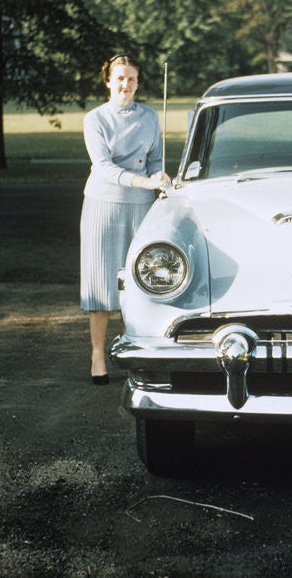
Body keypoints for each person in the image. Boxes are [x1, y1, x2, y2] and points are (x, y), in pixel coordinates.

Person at [80, 54, 170, 384]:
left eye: (131, 79)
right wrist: (144, 181)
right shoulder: (95, 119)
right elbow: (104, 167)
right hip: (104, 205)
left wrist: (159, 176)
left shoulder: (149, 116)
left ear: (138, 83)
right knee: (101, 284)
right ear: (107, 81)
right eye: (119, 78)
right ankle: (97, 354)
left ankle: (138, 352)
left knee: (140, 281)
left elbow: (156, 157)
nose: (125, 85)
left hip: (143, 207)